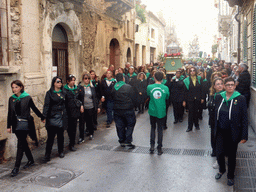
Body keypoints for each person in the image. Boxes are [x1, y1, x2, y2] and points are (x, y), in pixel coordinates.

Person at [214, 77, 248, 186]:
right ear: (224, 86)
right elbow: (214, 114)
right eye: (227, 84)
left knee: (232, 155)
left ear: (234, 86)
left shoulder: (241, 98)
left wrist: (244, 135)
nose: (229, 86)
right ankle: (222, 170)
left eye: (231, 85)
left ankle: (230, 176)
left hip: (233, 132)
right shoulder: (219, 97)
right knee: (219, 153)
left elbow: (244, 118)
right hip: (220, 130)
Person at [7, 80, 45, 177]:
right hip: (16, 125)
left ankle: (16, 167)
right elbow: (9, 113)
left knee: (20, 145)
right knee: (23, 143)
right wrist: (8, 126)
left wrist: (42, 117)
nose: (14, 89)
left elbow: (34, 108)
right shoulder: (11, 99)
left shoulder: (27, 97)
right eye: (13, 87)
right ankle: (31, 160)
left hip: (24, 124)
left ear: (20, 87)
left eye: (16, 87)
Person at [43, 77, 67, 162]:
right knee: (50, 137)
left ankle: (61, 151)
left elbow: (66, 104)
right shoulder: (49, 93)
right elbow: (46, 105)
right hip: (52, 117)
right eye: (58, 82)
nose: (60, 83)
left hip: (61, 116)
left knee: (61, 136)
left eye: (61, 82)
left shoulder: (63, 92)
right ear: (54, 83)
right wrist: (44, 116)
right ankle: (47, 155)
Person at [111, 73, 136, 149]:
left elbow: (112, 98)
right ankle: (128, 141)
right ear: (123, 78)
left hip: (117, 110)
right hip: (128, 109)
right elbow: (133, 98)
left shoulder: (113, 88)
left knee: (120, 125)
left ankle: (121, 140)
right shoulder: (128, 87)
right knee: (130, 124)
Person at [147, 71, 170, 155]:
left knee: (153, 128)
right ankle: (159, 147)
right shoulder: (165, 88)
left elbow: (148, 94)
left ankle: (152, 146)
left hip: (152, 110)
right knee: (160, 129)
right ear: (162, 78)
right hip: (161, 110)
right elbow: (167, 97)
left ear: (154, 78)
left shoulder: (149, 87)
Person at [63, 75, 83, 151]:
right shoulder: (64, 90)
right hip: (67, 112)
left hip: (75, 111)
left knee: (74, 128)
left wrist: (81, 105)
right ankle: (70, 141)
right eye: (71, 80)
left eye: (74, 80)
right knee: (68, 128)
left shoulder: (76, 89)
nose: (73, 82)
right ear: (68, 81)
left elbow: (80, 98)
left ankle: (72, 144)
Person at [78, 72, 100, 141]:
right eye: (85, 78)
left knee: (90, 122)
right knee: (81, 123)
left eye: (88, 79)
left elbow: (95, 97)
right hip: (83, 108)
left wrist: (98, 106)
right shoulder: (80, 87)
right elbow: (78, 98)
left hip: (91, 107)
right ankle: (81, 137)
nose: (87, 80)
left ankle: (91, 133)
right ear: (83, 79)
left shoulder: (92, 87)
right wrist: (80, 105)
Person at [183, 67, 204, 132]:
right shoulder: (186, 80)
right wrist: (184, 100)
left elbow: (202, 89)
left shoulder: (199, 78)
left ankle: (197, 125)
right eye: (191, 71)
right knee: (190, 113)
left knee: (196, 112)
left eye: (193, 70)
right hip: (190, 99)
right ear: (189, 72)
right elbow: (185, 91)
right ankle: (189, 127)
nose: (192, 72)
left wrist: (202, 98)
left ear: (195, 71)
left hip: (198, 98)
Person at [207, 78, 224, 157]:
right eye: (218, 84)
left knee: (220, 136)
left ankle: (221, 151)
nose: (220, 85)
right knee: (213, 135)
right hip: (213, 119)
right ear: (214, 86)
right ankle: (214, 150)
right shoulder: (212, 95)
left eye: (221, 83)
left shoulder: (225, 95)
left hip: (221, 120)